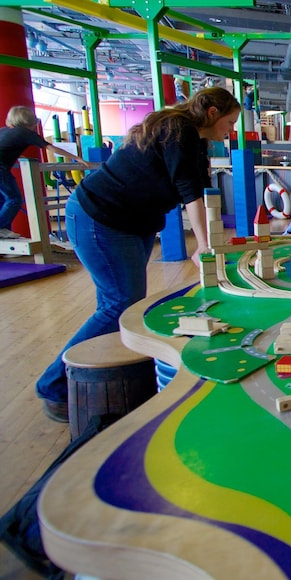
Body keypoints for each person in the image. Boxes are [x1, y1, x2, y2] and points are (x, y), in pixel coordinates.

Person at [35, 87, 241, 422]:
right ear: (213, 112)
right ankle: (54, 386)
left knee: (123, 301)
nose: (230, 130)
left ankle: (120, 377)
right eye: (230, 122)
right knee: (118, 303)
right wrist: (204, 243)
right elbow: (189, 192)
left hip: (131, 222)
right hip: (101, 217)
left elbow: (195, 187)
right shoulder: (179, 130)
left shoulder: (191, 137)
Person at [0, 106, 89, 239]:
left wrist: (19, 157)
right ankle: (1, 228)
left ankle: (4, 232)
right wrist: (77, 158)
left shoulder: (4, 131)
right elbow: (52, 148)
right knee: (14, 199)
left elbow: (7, 147)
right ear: (29, 123)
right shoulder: (25, 133)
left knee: (3, 200)